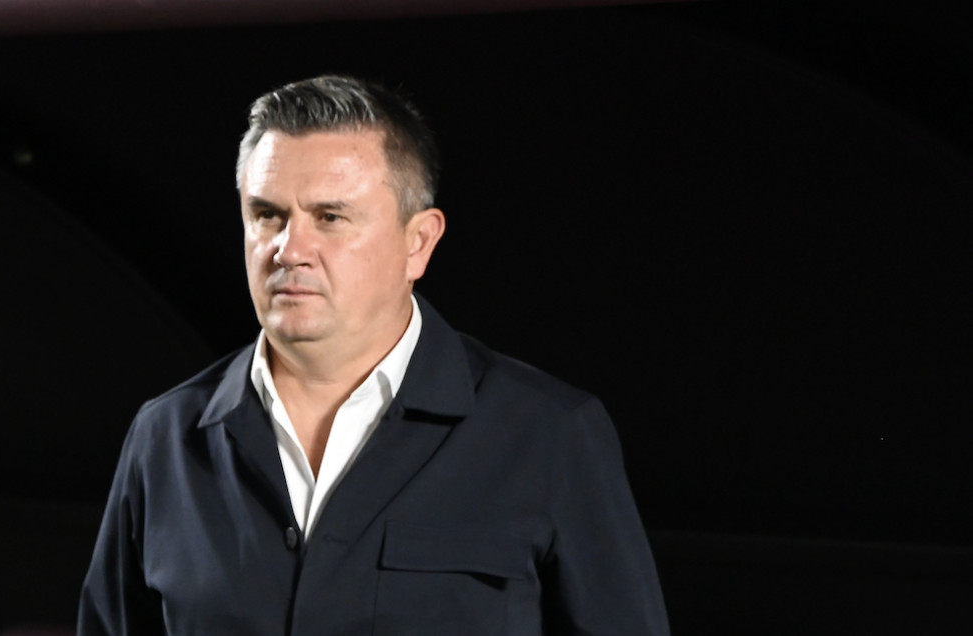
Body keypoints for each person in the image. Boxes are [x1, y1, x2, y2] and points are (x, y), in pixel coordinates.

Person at [77, 74, 669, 635]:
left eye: (330, 217)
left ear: (418, 242)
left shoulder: (548, 435)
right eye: (266, 215)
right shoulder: (166, 438)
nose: (289, 249)